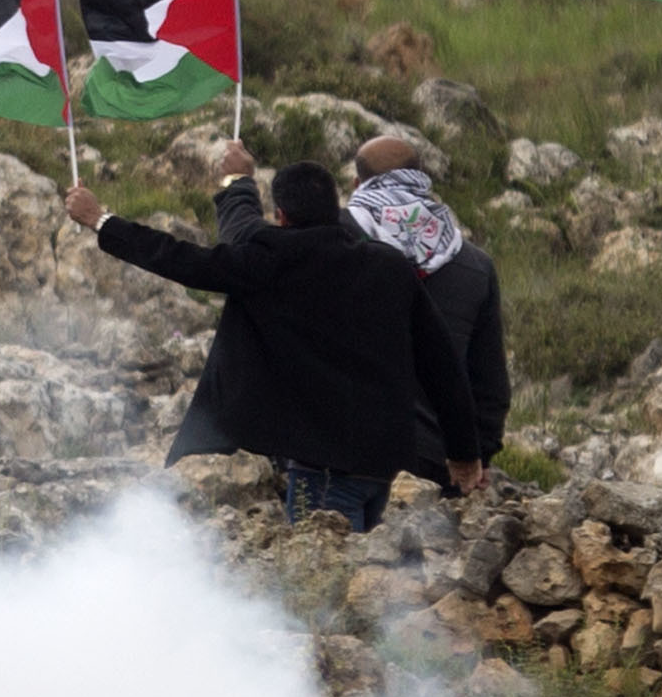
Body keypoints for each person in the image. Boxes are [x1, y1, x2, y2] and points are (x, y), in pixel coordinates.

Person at [59, 152, 477, 529]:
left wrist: (101, 221)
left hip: (322, 470)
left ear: (280, 215)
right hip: (385, 467)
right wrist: (463, 452)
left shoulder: (268, 262)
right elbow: (441, 364)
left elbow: (179, 258)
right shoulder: (389, 266)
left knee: (323, 593)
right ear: (337, 207)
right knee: (375, 588)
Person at [343, 129, 512, 476]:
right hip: (438, 464)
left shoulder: (336, 244)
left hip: (345, 452)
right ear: (422, 182)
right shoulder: (474, 265)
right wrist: (476, 456)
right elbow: (489, 384)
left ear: (356, 184)